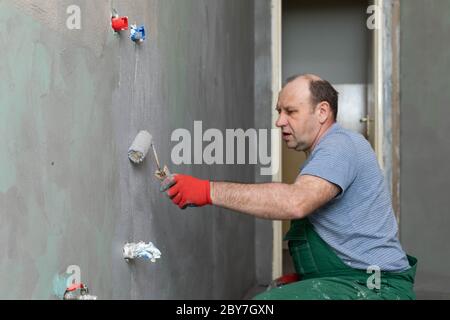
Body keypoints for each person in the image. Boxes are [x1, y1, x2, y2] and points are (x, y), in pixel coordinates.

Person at [160, 74, 417, 300]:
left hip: (375, 288)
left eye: (290, 112)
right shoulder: (323, 155)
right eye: (278, 111)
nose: (279, 121)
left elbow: (295, 202)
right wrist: (311, 277)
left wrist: (207, 191)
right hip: (352, 279)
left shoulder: (340, 146)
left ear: (322, 112)